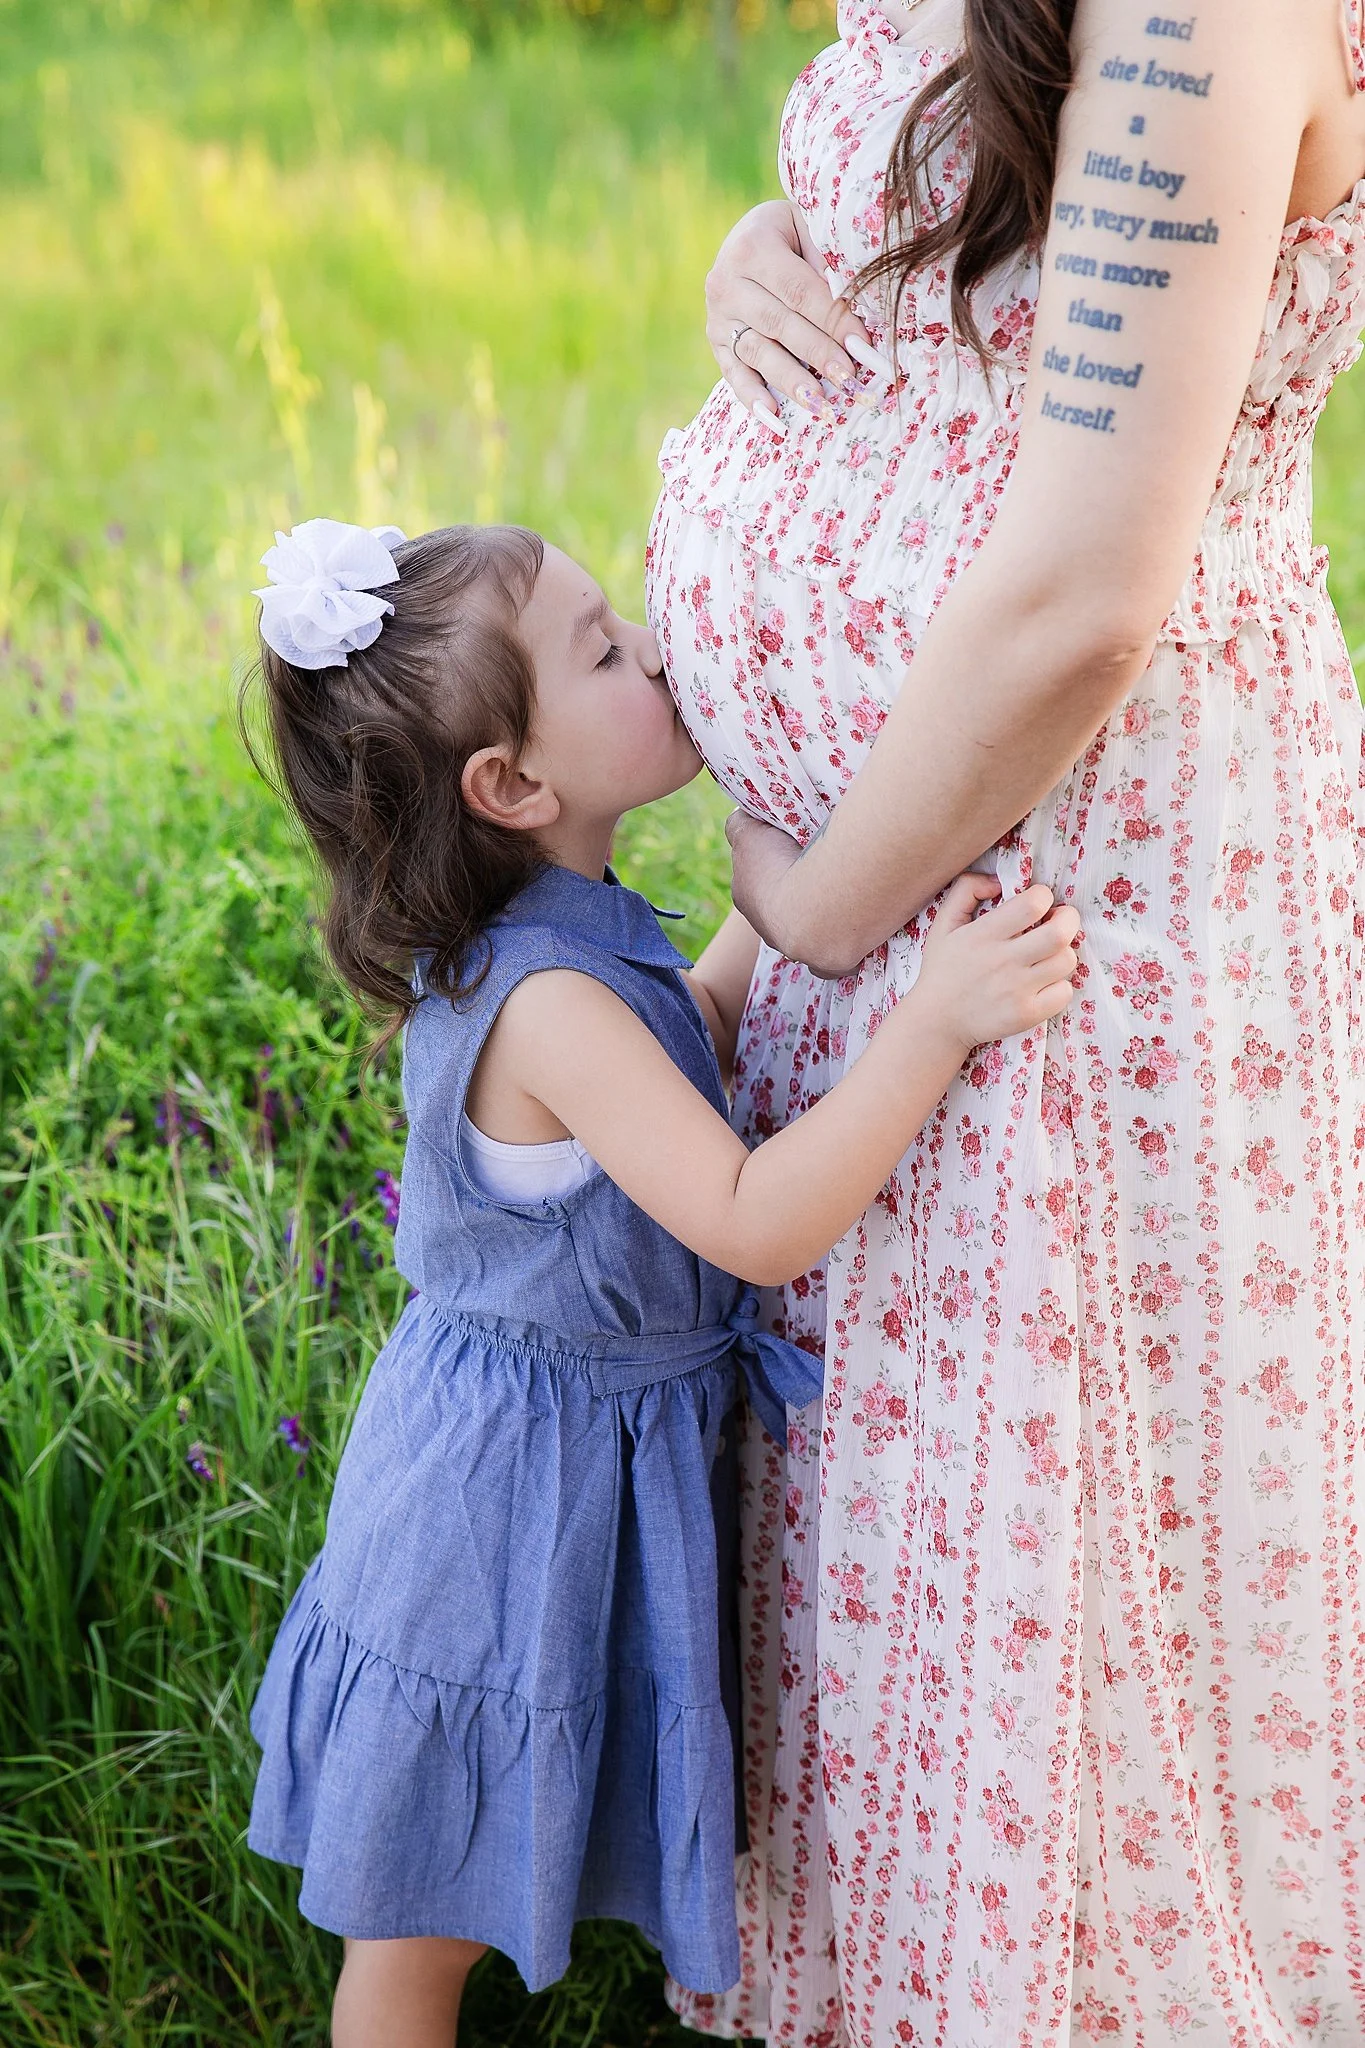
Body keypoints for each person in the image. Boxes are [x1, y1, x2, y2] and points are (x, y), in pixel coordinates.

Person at [647, 0, 1365, 2042]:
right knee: (909, 1636)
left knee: (1085, 1632)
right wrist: (773, 256)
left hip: (1075, 934)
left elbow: (1082, 596)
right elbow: (981, 271)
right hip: (920, 926)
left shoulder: (1199, 17)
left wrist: (811, 905)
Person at [239, 516, 1081, 2048]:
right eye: (607, 650)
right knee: (418, 1932)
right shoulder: (547, 1001)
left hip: (535, 1471)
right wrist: (932, 1028)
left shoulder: (551, 950)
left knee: (437, 1906)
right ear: (514, 785)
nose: (657, 654)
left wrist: (784, 910)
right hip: (495, 1519)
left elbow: (675, 1057)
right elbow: (751, 1215)